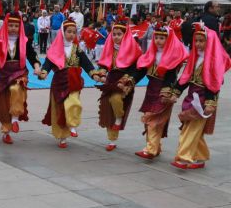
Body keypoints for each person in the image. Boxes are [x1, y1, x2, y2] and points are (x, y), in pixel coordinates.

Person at [171, 23, 231, 169]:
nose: (197, 44)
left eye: (201, 41)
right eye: (196, 41)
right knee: (192, 127)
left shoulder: (214, 61)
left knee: (191, 128)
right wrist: (175, 93)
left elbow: (214, 83)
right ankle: (200, 156)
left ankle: (184, 157)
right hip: (191, 98)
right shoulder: (195, 58)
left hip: (204, 100)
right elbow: (185, 77)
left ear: (209, 41)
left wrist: (211, 103)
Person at [39, 18, 101, 148]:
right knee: (60, 110)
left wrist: (94, 74)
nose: (72, 34)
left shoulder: (77, 49)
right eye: (69, 31)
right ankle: (62, 137)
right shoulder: (56, 48)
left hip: (73, 82)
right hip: (59, 82)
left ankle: (72, 125)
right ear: (63, 32)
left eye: (74, 32)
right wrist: (43, 73)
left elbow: (87, 64)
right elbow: (48, 64)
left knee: (74, 103)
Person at [0, 12, 40, 144]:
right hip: (2, 74)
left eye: (16, 25)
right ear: (6, 26)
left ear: (20, 27)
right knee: (1, 103)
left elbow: (32, 56)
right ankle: (6, 131)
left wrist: (37, 68)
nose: (13, 28)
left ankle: (15, 119)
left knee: (17, 88)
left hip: (19, 72)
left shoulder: (25, 42)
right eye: (11, 25)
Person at [134, 24, 188, 160]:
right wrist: (129, 81)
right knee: (151, 119)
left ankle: (151, 149)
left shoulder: (172, 56)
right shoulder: (151, 54)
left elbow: (171, 76)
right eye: (156, 37)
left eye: (161, 38)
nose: (158, 40)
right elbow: (141, 70)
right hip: (151, 90)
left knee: (153, 119)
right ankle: (155, 147)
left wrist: (166, 93)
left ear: (168, 40)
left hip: (164, 91)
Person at [95, 19, 143, 151]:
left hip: (124, 81)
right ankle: (112, 140)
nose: (116, 37)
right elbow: (104, 64)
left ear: (125, 34)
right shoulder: (109, 47)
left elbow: (136, 69)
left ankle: (120, 117)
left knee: (115, 99)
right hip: (111, 80)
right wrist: (102, 74)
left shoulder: (133, 48)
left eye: (119, 34)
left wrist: (126, 81)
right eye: (114, 34)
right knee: (108, 108)